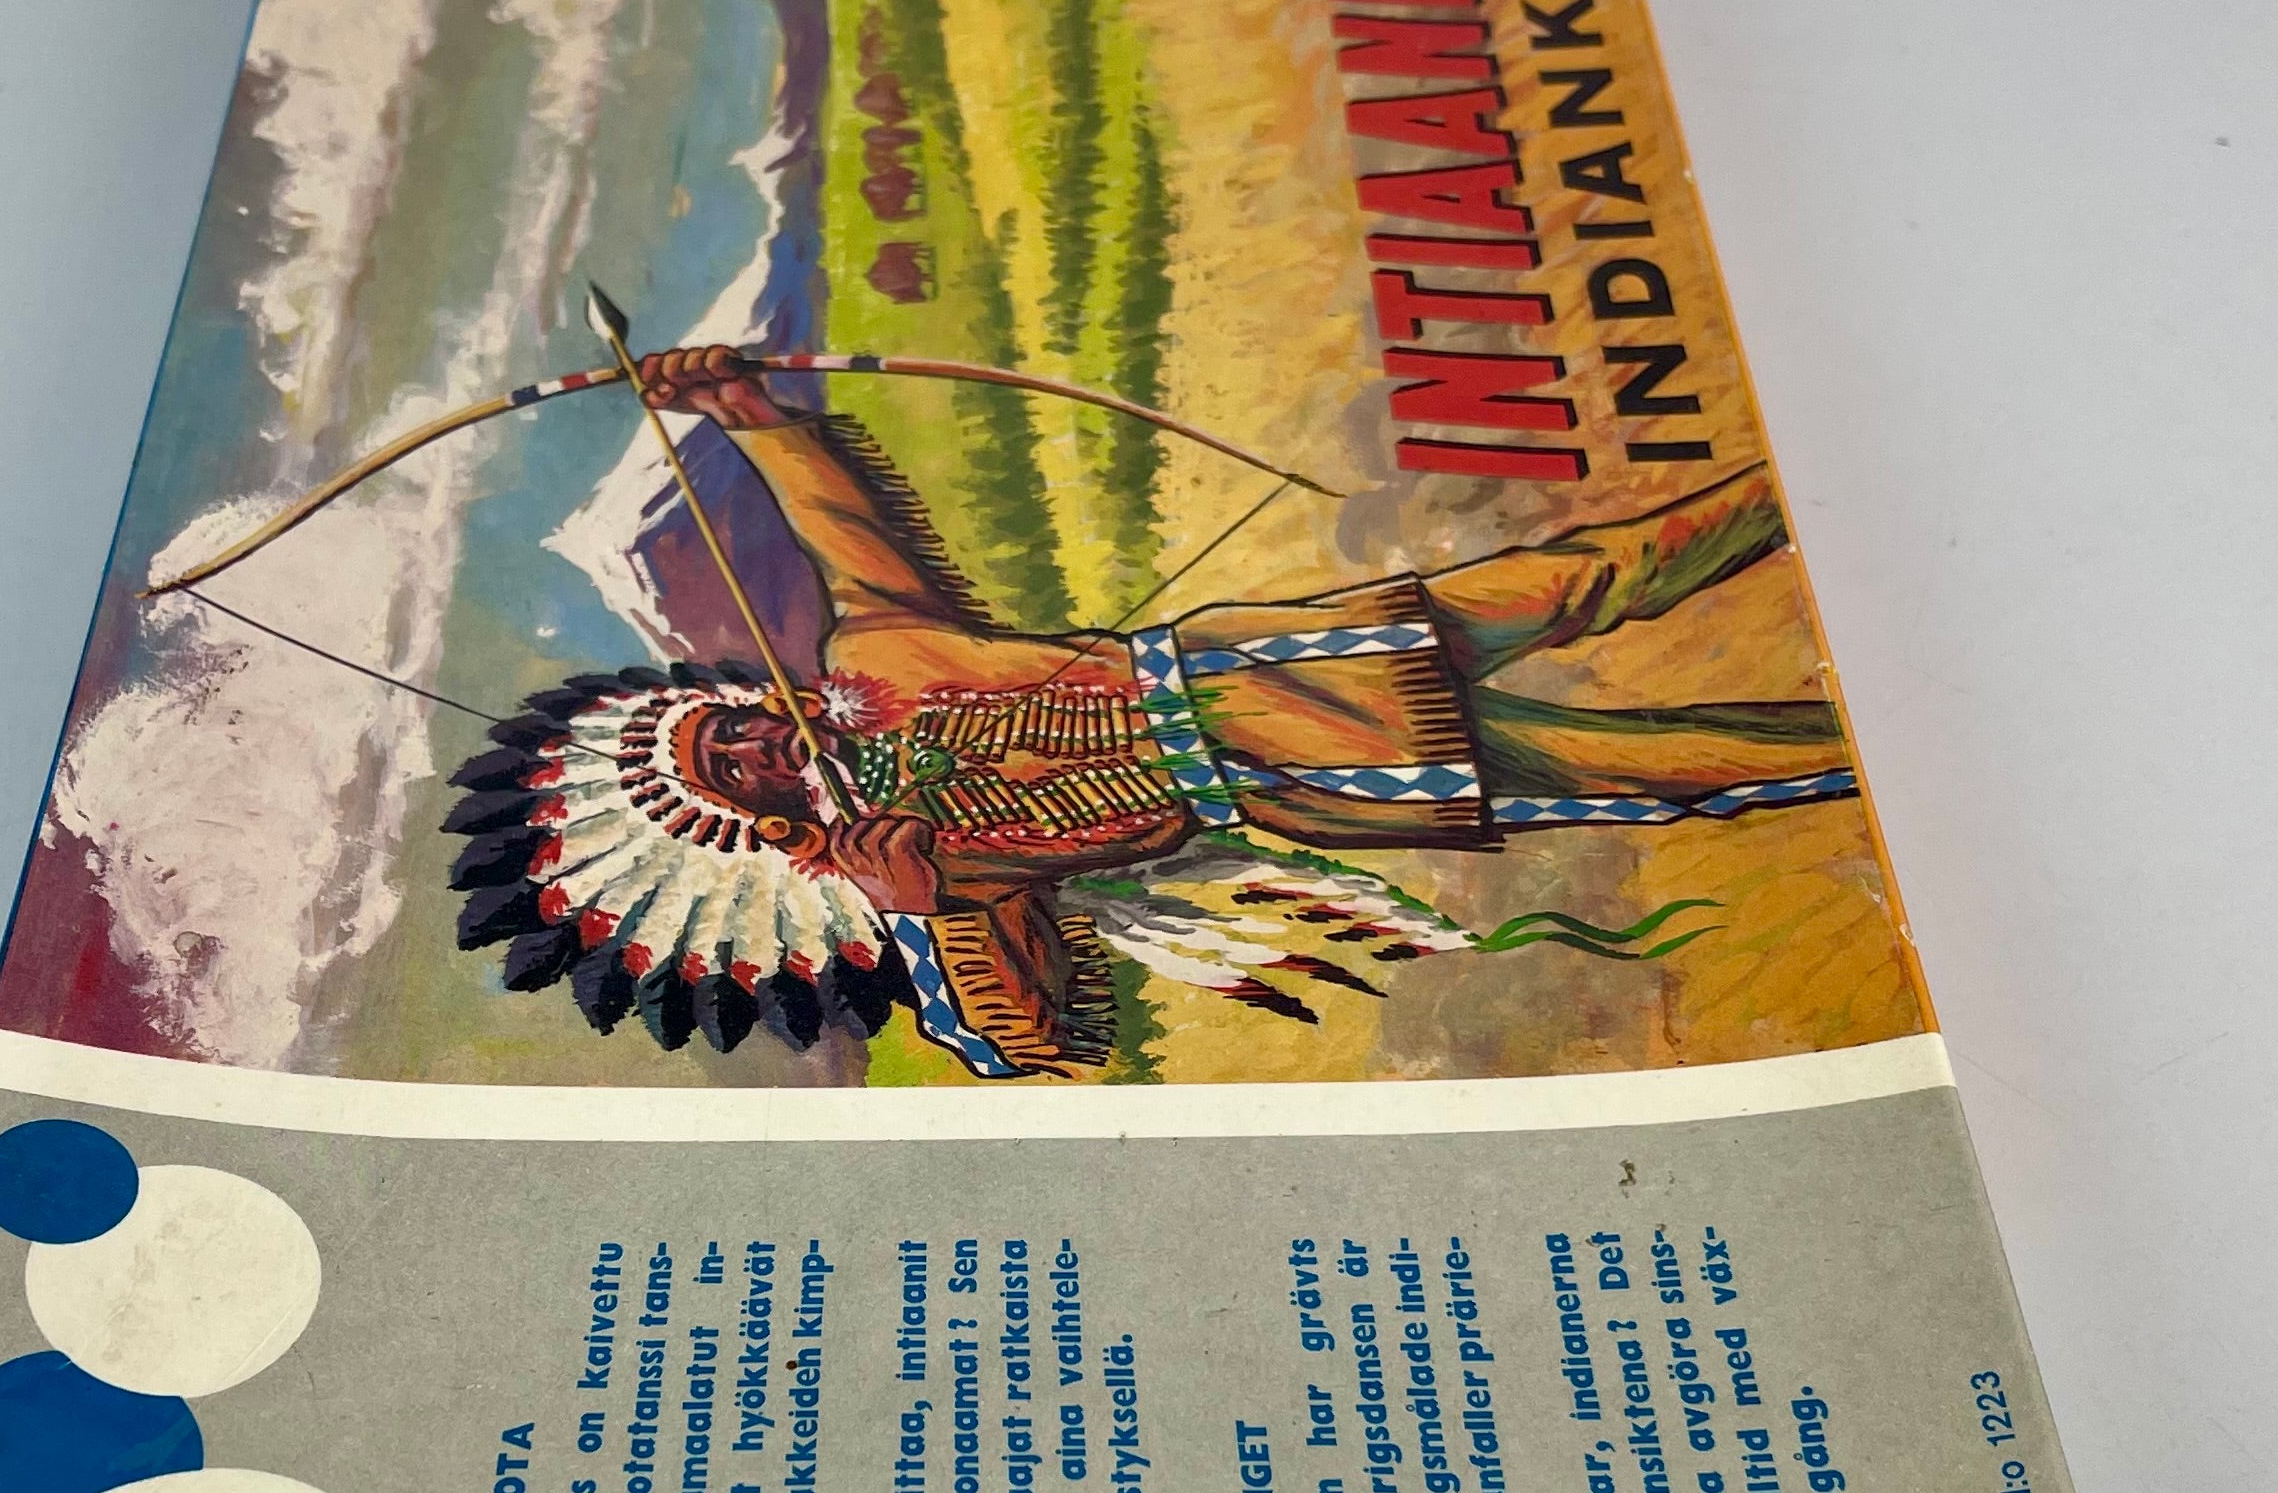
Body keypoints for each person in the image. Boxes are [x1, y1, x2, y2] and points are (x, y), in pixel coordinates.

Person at [446, 343, 1855, 1078]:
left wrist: (752, 415)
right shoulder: (914, 872)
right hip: (1324, 768)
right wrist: (927, 906)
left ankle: (1816, 480)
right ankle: (1869, 744)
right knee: (1675, 767)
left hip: (1285, 653)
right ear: (744, 824)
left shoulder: (876, 653)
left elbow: (845, 532)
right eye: (732, 766)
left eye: (729, 720)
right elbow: (1024, 1040)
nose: (760, 738)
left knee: (1600, 574)